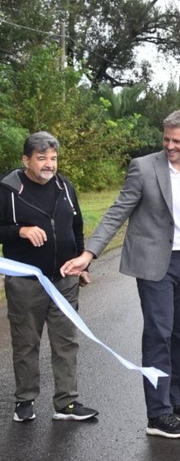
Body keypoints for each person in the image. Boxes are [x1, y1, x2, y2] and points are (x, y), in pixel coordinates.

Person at [61, 111, 180, 439]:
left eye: (177, 141)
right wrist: (89, 254)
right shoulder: (144, 167)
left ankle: (175, 402)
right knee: (159, 333)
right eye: (166, 139)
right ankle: (157, 415)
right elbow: (119, 210)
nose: (170, 145)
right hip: (155, 265)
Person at [0, 132, 98, 423]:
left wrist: (83, 265)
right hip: (26, 283)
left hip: (64, 280)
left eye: (53, 158)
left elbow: (77, 226)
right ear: (26, 159)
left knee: (67, 341)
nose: (49, 164)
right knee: (26, 342)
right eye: (42, 158)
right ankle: (24, 401)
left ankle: (66, 403)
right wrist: (19, 231)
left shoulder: (65, 186)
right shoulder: (8, 190)